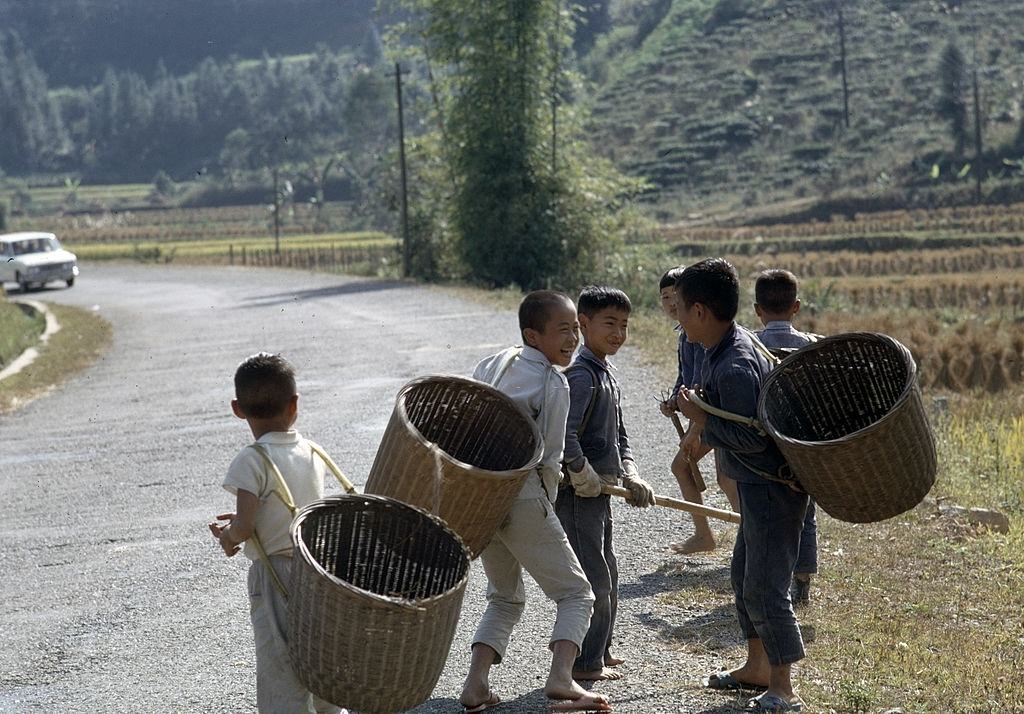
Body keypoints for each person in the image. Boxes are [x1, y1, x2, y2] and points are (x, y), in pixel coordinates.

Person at [460, 290, 610, 714]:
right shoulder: (553, 381)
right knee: (578, 593)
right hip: (521, 492)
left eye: (576, 330)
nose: (573, 340)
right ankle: (562, 678)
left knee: (504, 597)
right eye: (562, 331)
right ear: (533, 334)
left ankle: (476, 686)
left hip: (478, 494)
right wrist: (577, 485)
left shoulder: (491, 363)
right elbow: (551, 458)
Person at [675, 259, 808, 712]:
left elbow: (753, 438)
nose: (675, 317)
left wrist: (701, 421)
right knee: (743, 576)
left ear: (698, 311)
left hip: (772, 488)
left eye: (678, 309)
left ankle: (784, 686)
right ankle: (757, 668)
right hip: (755, 488)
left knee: (766, 587)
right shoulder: (723, 345)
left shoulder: (733, 363)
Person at [208, 352, 342, 714]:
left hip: (275, 576)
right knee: (320, 660)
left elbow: (245, 525)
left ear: (238, 409)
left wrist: (228, 537)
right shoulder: (311, 451)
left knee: (281, 669)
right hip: (317, 570)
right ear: (294, 404)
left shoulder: (251, 459)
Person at [559, 286, 655, 683]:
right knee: (593, 578)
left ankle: (601, 650)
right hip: (580, 496)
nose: (618, 333)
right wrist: (582, 473)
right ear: (583, 324)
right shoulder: (581, 376)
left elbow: (621, 437)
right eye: (609, 323)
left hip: (602, 494)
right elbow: (564, 436)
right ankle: (584, 662)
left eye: (625, 325)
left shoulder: (605, 372)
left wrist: (630, 473)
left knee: (610, 573)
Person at [657, 266, 739, 555]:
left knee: (693, 469)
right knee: (725, 477)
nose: (670, 304)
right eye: (665, 297)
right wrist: (673, 401)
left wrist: (695, 428)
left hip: (714, 415)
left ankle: (719, 536)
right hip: (706, 414)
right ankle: (720, 535)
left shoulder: (704, 333)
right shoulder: (686, 334)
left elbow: (704, 384)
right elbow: (686, 378)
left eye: (675, 297)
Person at [754, 269, 821, 606]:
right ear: (796, 307)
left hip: (763, 443)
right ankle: (803, 579)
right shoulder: (814, 346)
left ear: (757, 310)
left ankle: (770, 575)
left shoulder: (750, 346)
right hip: (803, 445)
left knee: (764, 511)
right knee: (803, 510)